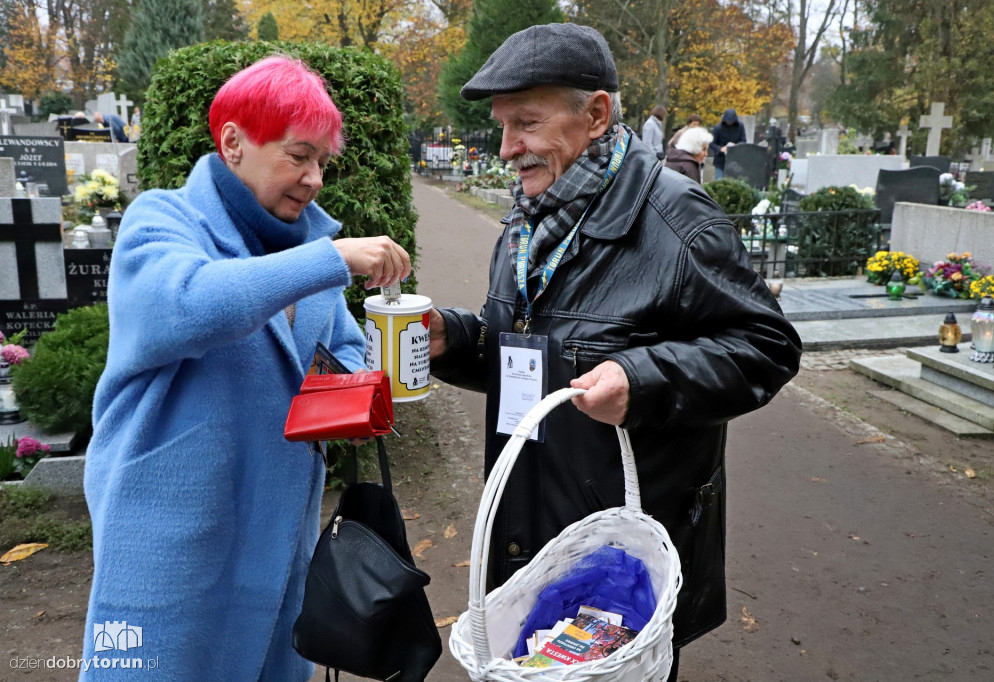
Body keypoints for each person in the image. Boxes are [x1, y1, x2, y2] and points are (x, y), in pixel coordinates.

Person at [429, 22, 801, 679]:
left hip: (622, 563)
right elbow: (525, 354)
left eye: (526, 122)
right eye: (502, 125)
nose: (507, 147)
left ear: (596, 114)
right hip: (530, 536)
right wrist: (454, 339)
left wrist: (645, 378)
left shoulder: (679, 222)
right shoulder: (528, 219)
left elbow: (766, 347)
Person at [79, 56, 411, 681]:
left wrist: (403, 350)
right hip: (171, 534)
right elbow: (191, 304)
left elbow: (342, 360)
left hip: (279, 532)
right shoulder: (164, 220)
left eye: (321, 162)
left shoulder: (308, 252)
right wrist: (330, 258)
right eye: (297, 155)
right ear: (233, 142)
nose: (314, 178)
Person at [709, 108, 747, 180]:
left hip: (735, 159)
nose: (729, 123)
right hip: (720, 159)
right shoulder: (718, 128)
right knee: (719, 180)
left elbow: (743, 140)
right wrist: (720, 149)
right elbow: (711, 143)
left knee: (735, 180)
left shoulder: (740, 126)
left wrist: (735, 146)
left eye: (731, 121)